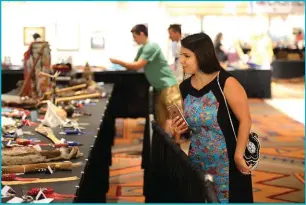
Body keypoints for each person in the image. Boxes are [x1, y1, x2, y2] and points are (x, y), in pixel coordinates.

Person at [172, 32, 253, 203]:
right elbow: (194, 125)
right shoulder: (185, 87)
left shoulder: (226, 83)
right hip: (198, 161)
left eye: (187, 56)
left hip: (228, 162)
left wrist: (239, 155)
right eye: (181, 55)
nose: (182, 61)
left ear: (202, 56)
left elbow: (245, 119)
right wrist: (183, 128)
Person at [109, 24, 182, 142]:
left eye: (135, 36)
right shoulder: (143, 48)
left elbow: (138, 65)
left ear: (142, 34)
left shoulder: (151, 47)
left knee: (175, 116)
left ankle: (177, 143)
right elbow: (133, 65)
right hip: (159, 88)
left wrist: (118, 61)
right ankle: (165, 146)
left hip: (169, 86)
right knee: (161, 119)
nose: (134, 39)